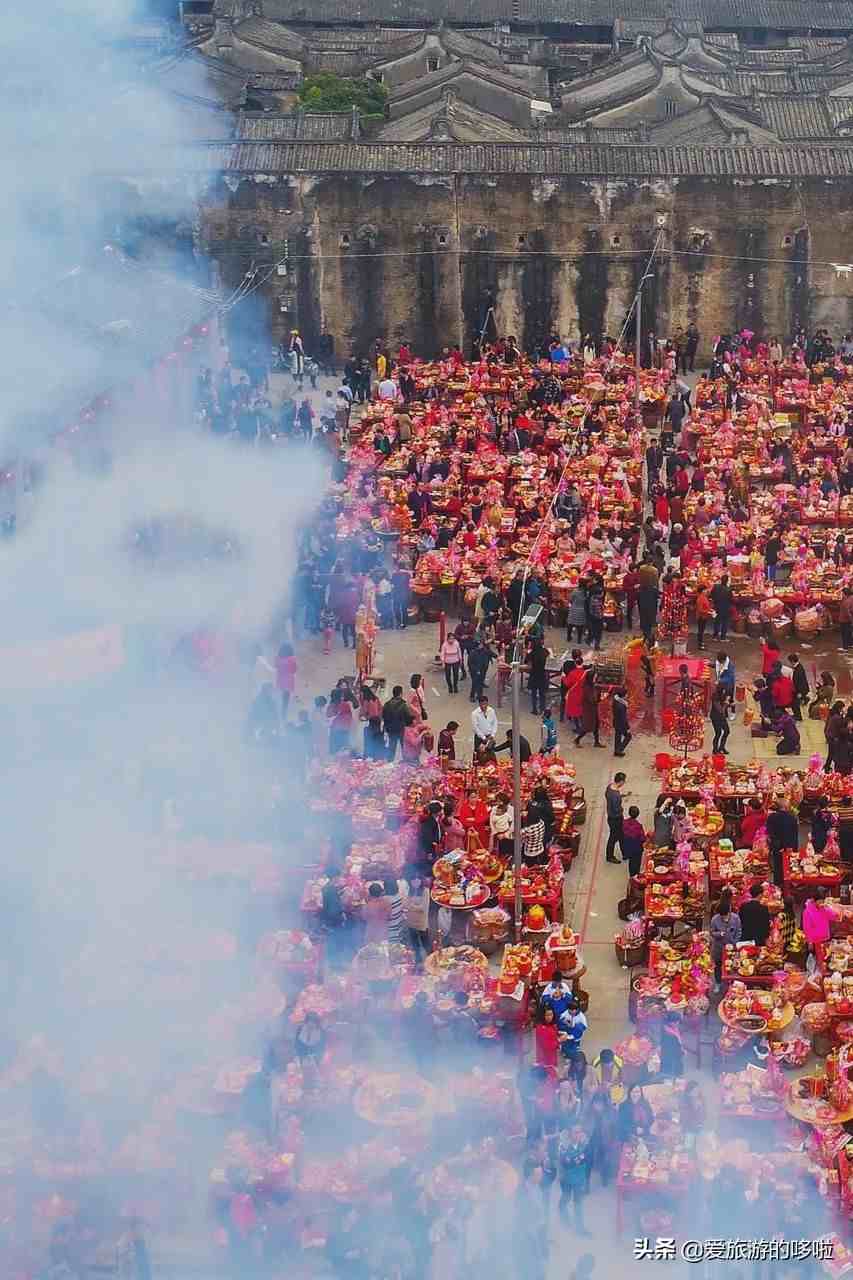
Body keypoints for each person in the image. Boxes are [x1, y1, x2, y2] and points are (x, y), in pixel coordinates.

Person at [558, 1125, 591, 1234]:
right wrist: (579, 1158)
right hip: (566, 1179)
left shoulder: (584, 1144)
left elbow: (587, 1157)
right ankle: (563, 1216)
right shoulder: (563, 1146)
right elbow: (567, 1163)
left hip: (579, 1179)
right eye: (575, 1132)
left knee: (578, 1204)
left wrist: (577, 1159)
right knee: (565, 1199)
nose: (578, 1135)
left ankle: (580, 1229)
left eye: (580, 1132)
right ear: (570, 1133)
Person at [585, 1092, 618, 1189]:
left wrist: (613, 1141)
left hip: (605, 1139)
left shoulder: (611, 1113)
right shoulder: (588, 1112)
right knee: (588, 1161)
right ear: (593, 1103)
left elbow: (615, 1128)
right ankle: (586, 1182)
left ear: (605, 1104)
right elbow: (583, 1125)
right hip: (590, 1139)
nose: (598, 1106)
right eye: (596, 1103)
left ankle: (604, 1176)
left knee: (605, 1160)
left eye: (601, 1103)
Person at [710, 891, 742, 988]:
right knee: (718, 966)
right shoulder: (715, 919)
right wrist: (719, 934)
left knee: (734, 965)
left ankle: (732, 983)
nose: (725, 918)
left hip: (732, 947)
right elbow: (712, 932)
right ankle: (718, 983)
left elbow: (739, 931)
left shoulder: (736, 918)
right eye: (722, 916)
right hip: (718, 947)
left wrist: (735, 943)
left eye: (726, 915)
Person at [766, 799, 799, 887]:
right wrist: (795, 848)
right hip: (790, 845)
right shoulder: (792, 818)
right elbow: (795, 834)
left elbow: (769, 832)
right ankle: (789, 884)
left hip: (777, 845)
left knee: (777, 865)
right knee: (789, 865)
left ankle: (777, 884)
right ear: (785, 807)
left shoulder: (772, 817)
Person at [383, 685, 414, 759]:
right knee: (404, 746)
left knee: (392, 747)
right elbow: (408, 717)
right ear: (400, 694)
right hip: (400, 729)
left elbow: (383, 716)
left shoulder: (387, 704)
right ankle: (405, 761)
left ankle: (390, 762)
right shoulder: (403, 705)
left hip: (390, 729)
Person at [574, 669, 603, 748]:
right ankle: (577, 739)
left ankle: (596, 742)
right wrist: (601, 697)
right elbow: (592, 700)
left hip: (593, 709)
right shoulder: (587, 688)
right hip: (588, 710)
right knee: (587, 727)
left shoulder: (591, 685)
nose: (595, 679)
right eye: (594, 677)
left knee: (596, 725)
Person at [604, 772, 628, 864]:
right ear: (621, 781)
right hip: (616, 818)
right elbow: (616, 808)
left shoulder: (610, 787)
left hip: (611, 817)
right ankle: (609, 856)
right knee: (613, 837)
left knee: (621, 835)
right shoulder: (615, 795)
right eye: (624, 781)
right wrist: (621, 809)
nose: (624, 783)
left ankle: (625, 853)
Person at [621, 805, 646, 877]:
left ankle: (631, 875)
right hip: (637, 847)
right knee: (637, 862)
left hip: (628, 846)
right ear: (637, 814)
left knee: (631, 862)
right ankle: (636, 874)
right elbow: (642, 838)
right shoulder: (638, 826)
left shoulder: (624, 823)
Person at [659, 1010, 684, 1077]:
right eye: (676, 1022)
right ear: (671, 1022)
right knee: (671, 1070)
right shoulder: (670, 1034)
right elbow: (675, 1048)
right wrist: (681, 1050)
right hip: (671, 1054)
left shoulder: (668, 1027)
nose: (677, 1023)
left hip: (670, 1051)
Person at [535, 1006, 560, 1070]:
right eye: (547, 1015)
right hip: (544, 1061)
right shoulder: (540, 1028)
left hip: (552, 1059)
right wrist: (559, 1040)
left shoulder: (553, 1025)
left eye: (551, 1014)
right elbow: (547, 1046)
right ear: (543, 1015)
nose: (549, 1017)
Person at [710, 681, 730, 755]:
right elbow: (720, 709)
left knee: (727, 731)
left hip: (722, 716)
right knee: (718, 733)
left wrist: (729, 704)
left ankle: (721, 747)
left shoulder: (723, 694)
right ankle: (715, 750)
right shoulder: (715, 696)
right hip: (715, 716)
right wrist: (726, 704)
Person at [710, 575, 733, 640]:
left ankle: (715, 636)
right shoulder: (728, 589)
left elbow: (711, 595)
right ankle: (723, 637)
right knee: (724, 623)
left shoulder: (716, 587)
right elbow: (731, 599)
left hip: (717, 606)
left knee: (717, 621)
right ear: (727, 581)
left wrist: (715, 601)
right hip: (725, 607)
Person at [789, 653, 810, 722]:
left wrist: (800, 692)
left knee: (794, 703)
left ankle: (798, 717)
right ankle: (805, 699)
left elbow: (800, 682)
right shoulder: (799, 667)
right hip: (800, 689)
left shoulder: (798, 670)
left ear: (792, 661)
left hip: (800, 690)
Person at [612, 686, 631, 757]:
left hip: (616, 722)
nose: (627, 695)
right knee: (628, 736)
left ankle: (616, 750)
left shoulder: (616, 700)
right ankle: (619, 750)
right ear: (623, 696)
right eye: (626, 694)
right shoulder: (621, 706)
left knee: (617, 736)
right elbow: (624, 718)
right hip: (621, 724)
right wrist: (627, 728)